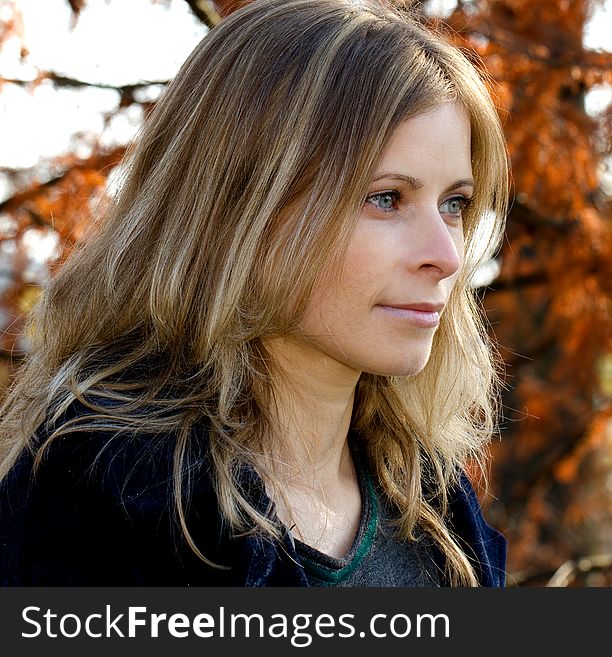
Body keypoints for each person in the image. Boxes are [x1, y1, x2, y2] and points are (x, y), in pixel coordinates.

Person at [0, 0, 509, 586]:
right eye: (387, 198)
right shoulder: (109, 491)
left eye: (455, 204)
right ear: (242, 207)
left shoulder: (436, 512)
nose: (445, 256)